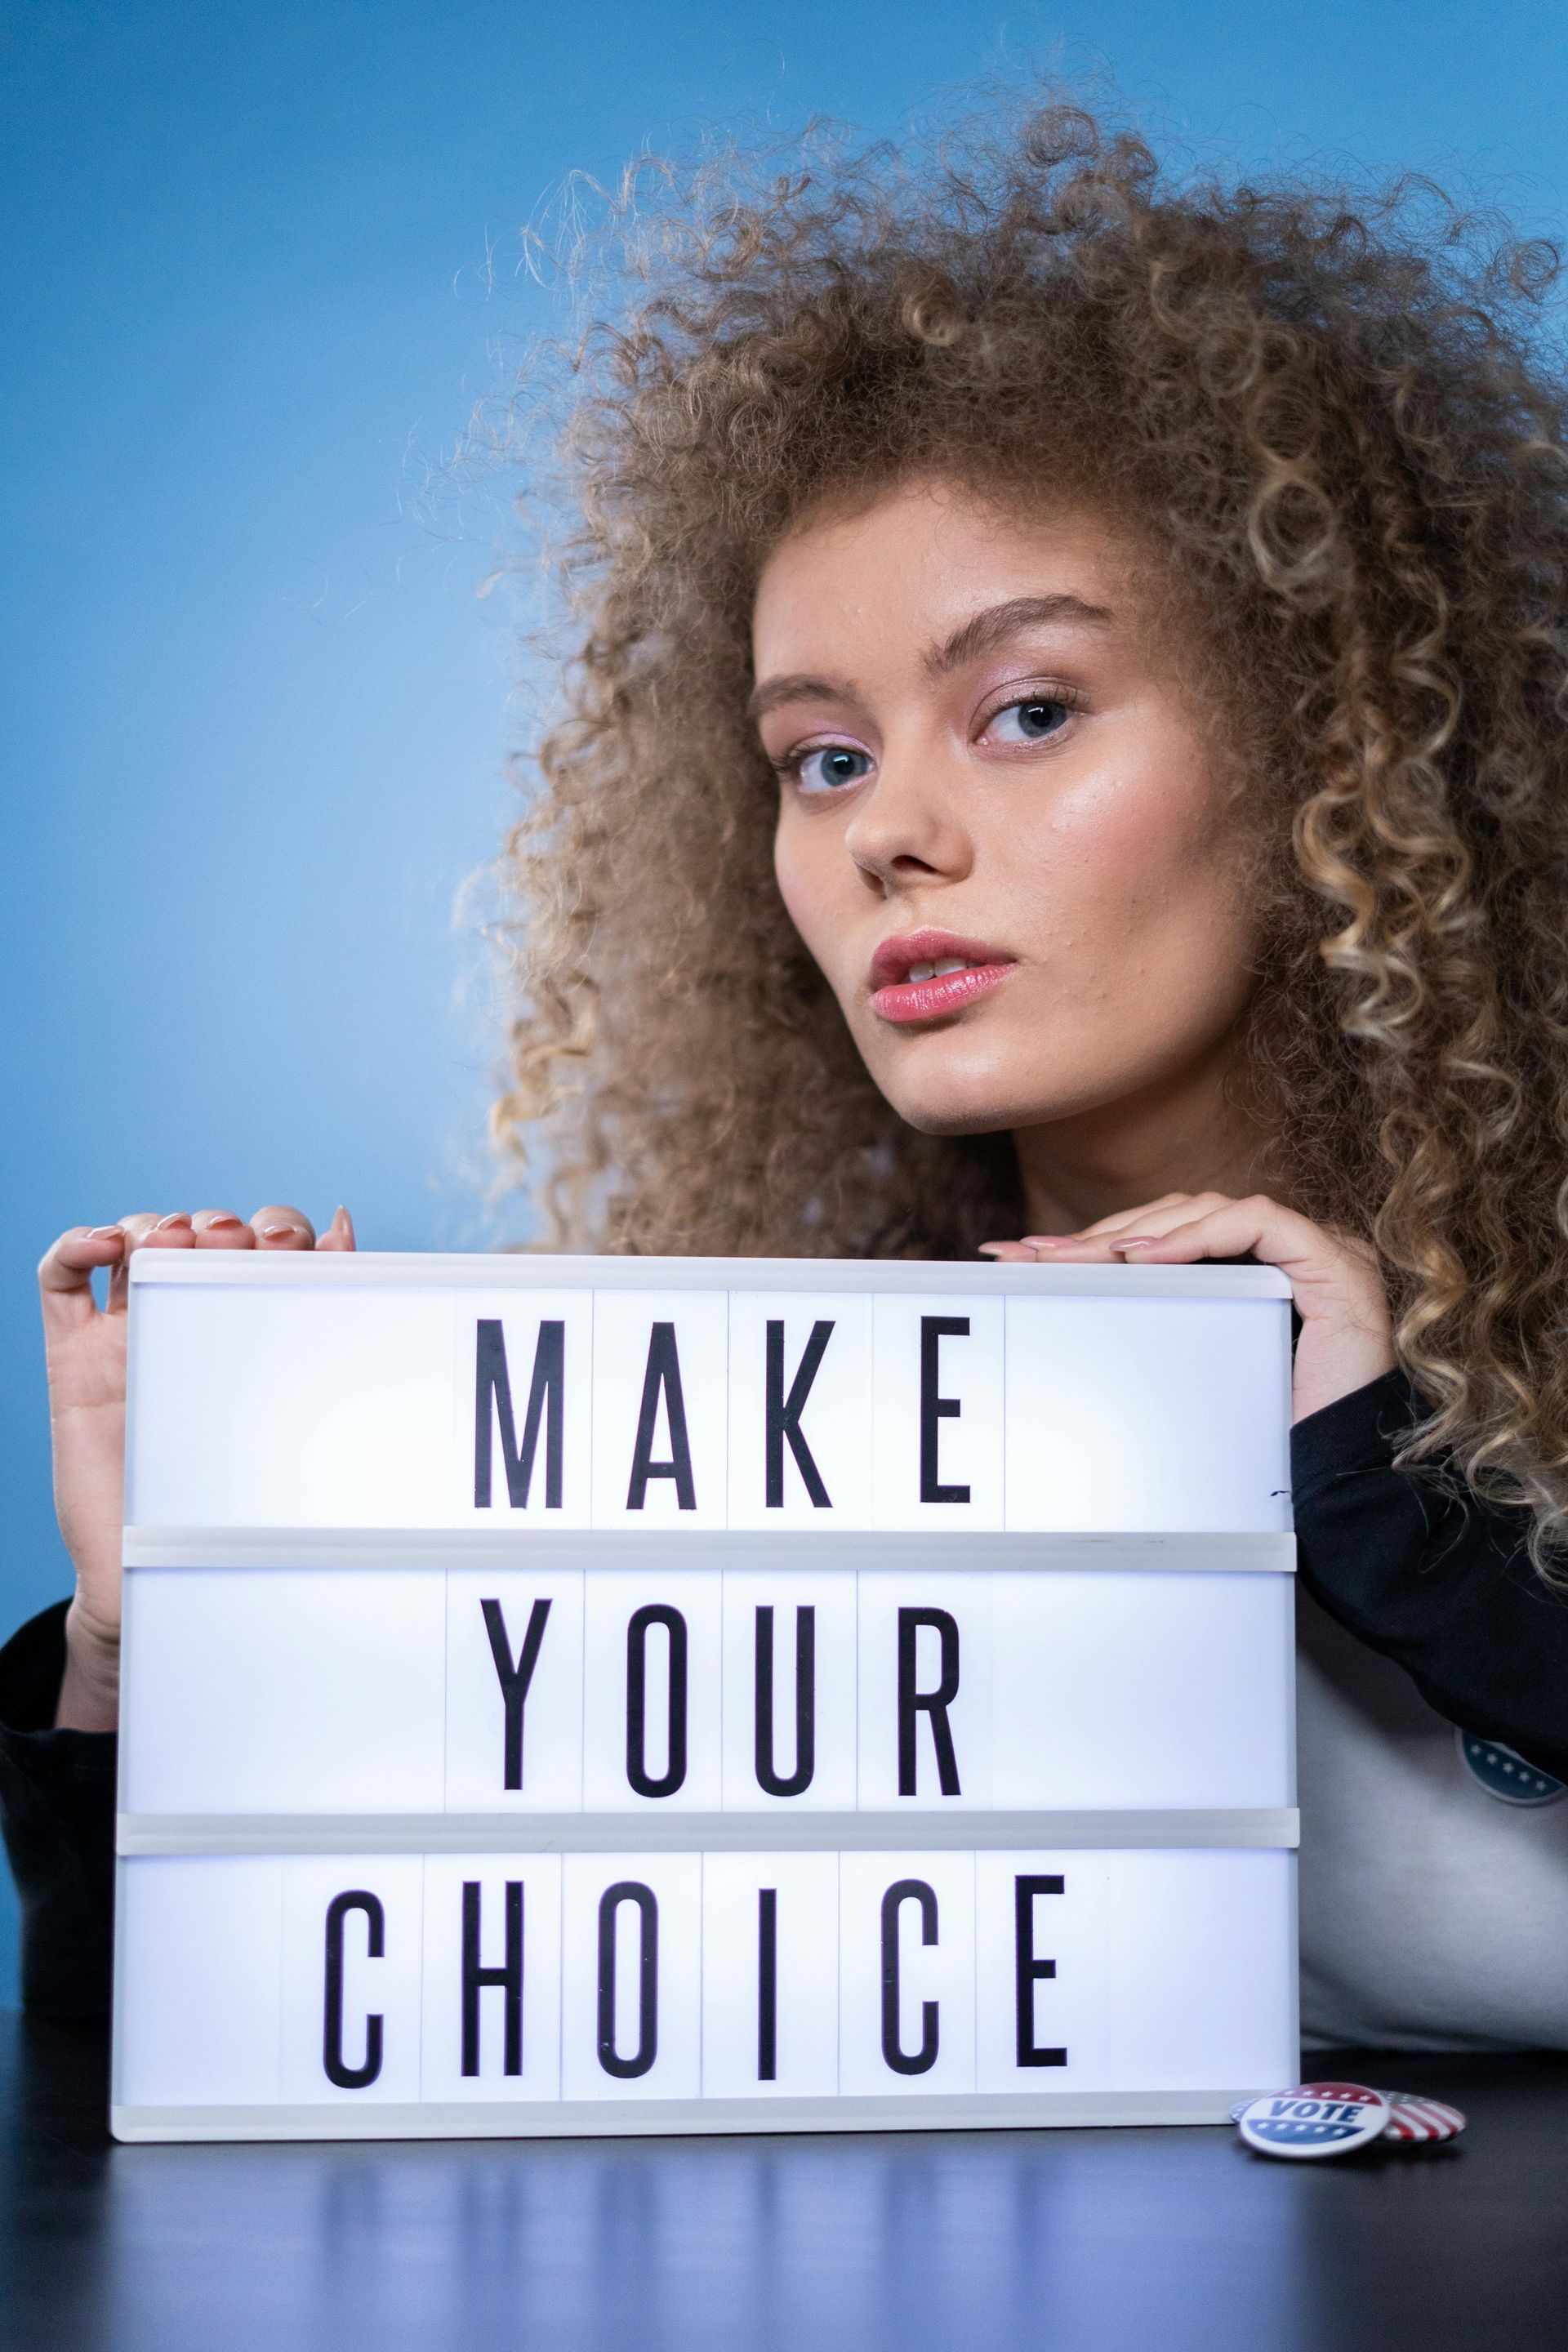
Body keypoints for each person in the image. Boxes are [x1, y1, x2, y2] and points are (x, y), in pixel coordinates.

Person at [7, 100, 1568, 2051]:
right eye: (822, 756)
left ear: (1334, 746)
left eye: (1025, 709)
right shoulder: (785, 1467)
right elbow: (151, 2126)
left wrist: (1375, 1481)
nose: (887, 835)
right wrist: (167, 1631)